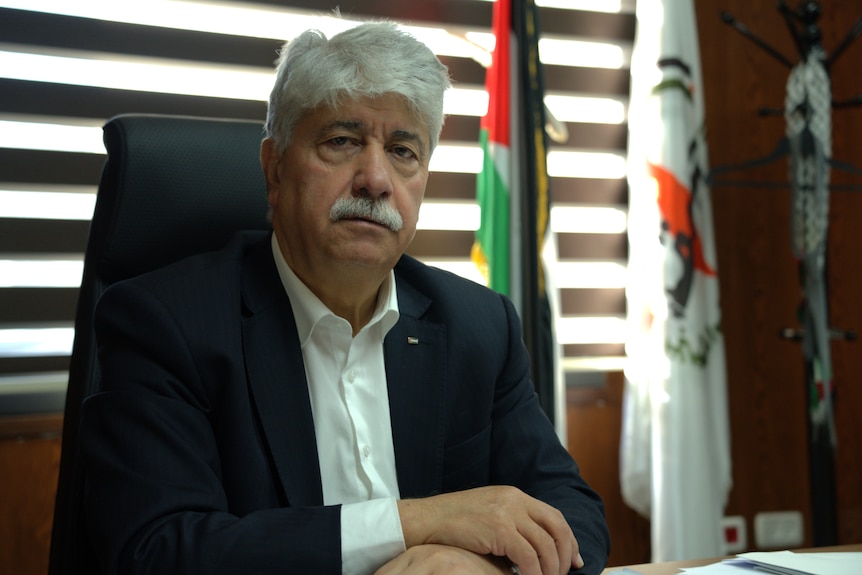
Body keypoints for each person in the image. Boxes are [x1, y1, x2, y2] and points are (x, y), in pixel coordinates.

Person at [79, 21, 610, 575]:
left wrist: (474, 566)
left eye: (403, 150)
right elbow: (160, 551)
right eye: (342, 141)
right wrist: (414, 523)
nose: (376, 179)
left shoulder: (479, 325)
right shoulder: (166, 324)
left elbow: (576, 516)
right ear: (274, 168)